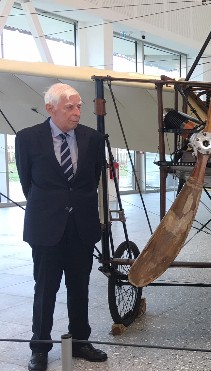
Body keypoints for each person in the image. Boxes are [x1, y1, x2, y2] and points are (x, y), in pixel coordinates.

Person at [16, 83, 108, 371]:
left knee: (79, 286)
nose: (77, 112)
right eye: (70, 106)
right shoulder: (28, 139)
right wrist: (54, 205)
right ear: (50, 108)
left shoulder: (93, 139)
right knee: (45, 288)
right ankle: (40, 347)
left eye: (79, 106)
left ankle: (80, 341)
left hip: (80, 225)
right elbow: (26, 182)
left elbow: (91, 178)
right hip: (46, 226)